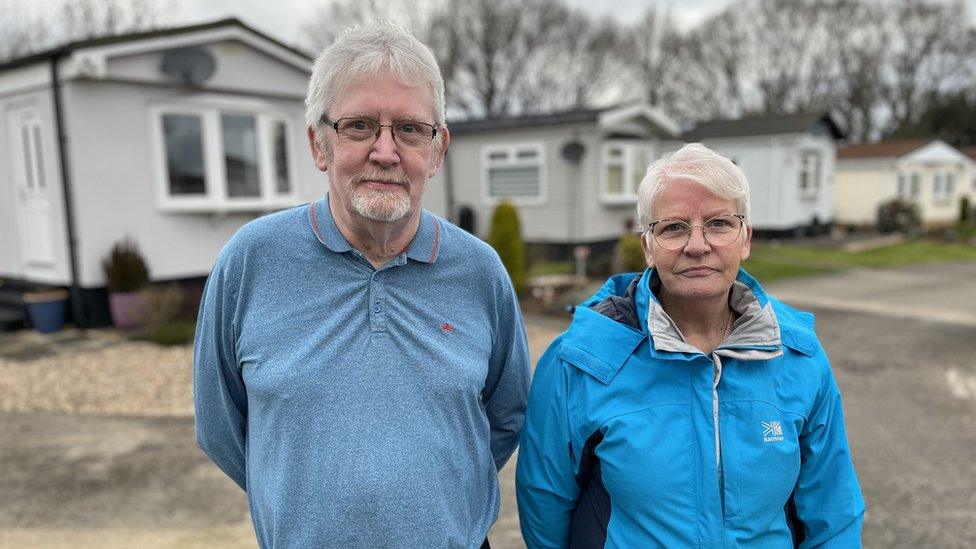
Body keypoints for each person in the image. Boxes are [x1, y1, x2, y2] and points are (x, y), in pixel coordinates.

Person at [194, 20, 530, 548]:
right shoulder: (250, 262)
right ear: (319, 143)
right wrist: (306, 507)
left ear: (438, 150)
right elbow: (220, 426)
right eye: (360, 126)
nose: (386, 151)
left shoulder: (481, 272)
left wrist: (430, 506)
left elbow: (505, 417)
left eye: (410, 129)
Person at [516, 143, 864, 548]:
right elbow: (545, 508)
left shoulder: (799, 355)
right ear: (647, 246)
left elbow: (833, 511)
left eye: (719, 223)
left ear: (745, 239)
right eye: (674, 227)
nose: (697, 245)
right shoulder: (578, 362)